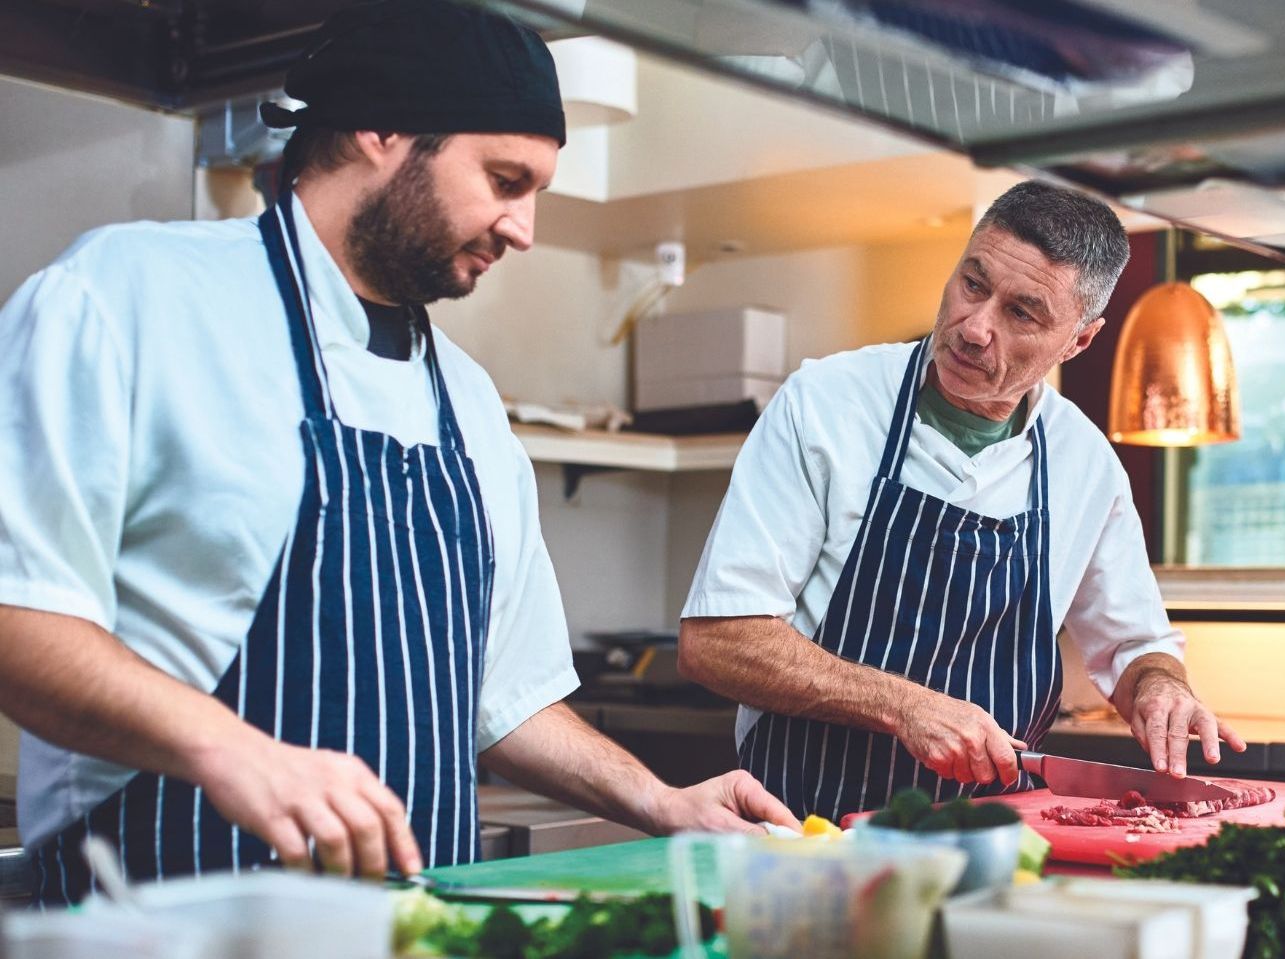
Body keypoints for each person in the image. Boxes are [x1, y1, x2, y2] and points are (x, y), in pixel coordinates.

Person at [0, 0, 794, 907]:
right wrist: (232, 748)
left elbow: (506, 698)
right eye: (504, 179)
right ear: (381, 127)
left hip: (411, 927)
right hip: (160, 920)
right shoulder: (129, 297)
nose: (525, 229)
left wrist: (662, 800)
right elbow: (19, 613)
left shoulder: (467, 401)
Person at [678, 180, 1244, 822]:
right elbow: (718, 639)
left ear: (1078, 342)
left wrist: (1162, 687)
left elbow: (1135, 645)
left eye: (1022, 314)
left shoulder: (1084, 462)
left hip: (992, 843)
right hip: (804, 830)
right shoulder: (826, 404)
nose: (975, 328)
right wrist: (907, 707)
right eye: (973, 284)